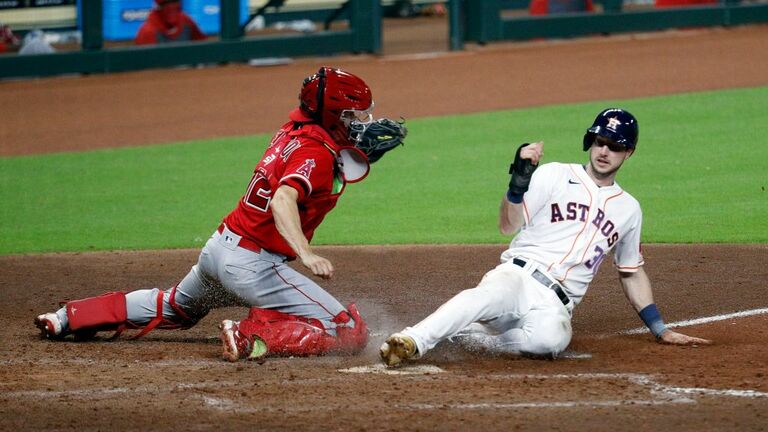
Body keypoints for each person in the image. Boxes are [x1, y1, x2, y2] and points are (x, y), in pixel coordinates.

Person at [34, 67, 406, 362]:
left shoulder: (294, 130)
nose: (359, 121)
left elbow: (319, 163)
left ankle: (67, 317)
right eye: (351, 114)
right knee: (348, 332)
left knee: (173, 306)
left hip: (219, 250)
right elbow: (283, 200)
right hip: (252, 267)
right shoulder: (315, 153)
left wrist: (346, 146)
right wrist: (306, 254)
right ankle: (250, 337)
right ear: (330, 112)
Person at [380, 108, 712, 367]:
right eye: (599, 142)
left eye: (615, 146)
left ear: (629, 153)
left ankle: (471, 339)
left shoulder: (629, 209)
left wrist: (660, 329)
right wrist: (517, 184)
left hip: (557, 302)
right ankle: (412, 341)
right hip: (519, 276)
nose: (604, 151)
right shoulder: (555, 174)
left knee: (550, 342)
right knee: (480, 297)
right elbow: (507, 226)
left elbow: (631, 271)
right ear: (590, 142)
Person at [135, 0, 206, 45]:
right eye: (166, 3)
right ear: (159, 7)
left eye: (175, 1)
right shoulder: (147, 31)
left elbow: (203, 49)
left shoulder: (186, 21)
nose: (172, 6)